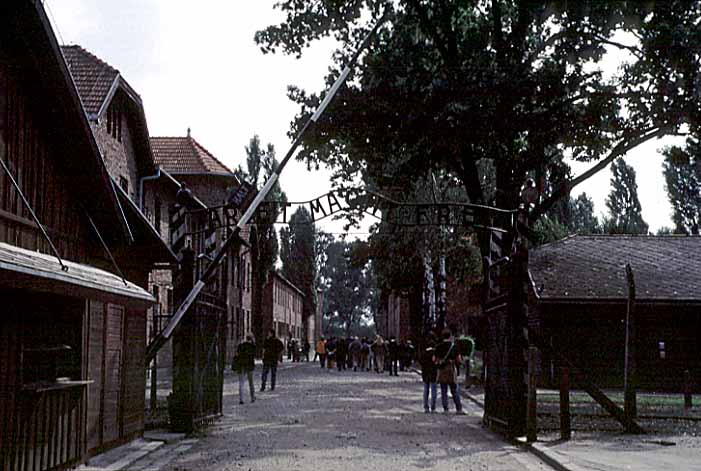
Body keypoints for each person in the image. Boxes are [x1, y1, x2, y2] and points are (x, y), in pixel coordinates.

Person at [434, 329, 464, 414]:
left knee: (444, 390)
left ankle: (446, 409)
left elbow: (434, 359)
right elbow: (458, 359)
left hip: (442, 370)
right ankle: (459, 408)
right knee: (454, 389)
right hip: (451, 369)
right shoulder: (454, 347)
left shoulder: (438, 346)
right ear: (450, 336)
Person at [234, 335, 256, 404]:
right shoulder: (252, 346)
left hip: (241, 365)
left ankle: (241, 399)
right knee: (251, 382)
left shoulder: (240, 346)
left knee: (241, 383)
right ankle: (252, 397)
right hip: (249, 365)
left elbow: (236, 354)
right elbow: (254, 355)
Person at [419, 336, 438, 413]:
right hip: (434, 372)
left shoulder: (424, 352)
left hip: (425, 372)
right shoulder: (435, 353)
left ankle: (426, 407)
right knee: (434, 389)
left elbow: (421, 361)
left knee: (426, 390)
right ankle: (433, 407)